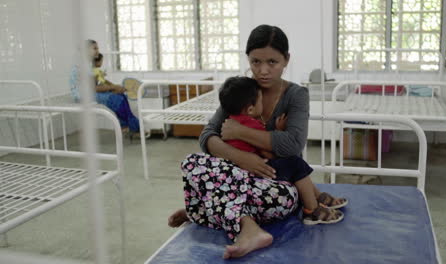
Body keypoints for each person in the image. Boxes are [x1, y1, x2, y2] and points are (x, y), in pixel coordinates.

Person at [168, 25, 347, 259]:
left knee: (223, 185)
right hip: (242, 181)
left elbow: (291, 145)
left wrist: (239, 132)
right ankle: (244, 226)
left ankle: (206, 210)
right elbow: (207, 136)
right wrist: (242, 157)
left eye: (272, 62)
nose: (263, 70)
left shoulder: (296, 95)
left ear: (286, 60)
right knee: (192, 162)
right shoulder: (241, 89)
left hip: (276, 188)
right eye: (255, 62)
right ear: (248, 60)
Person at [218, 75, 346, 224]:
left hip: (239, 173)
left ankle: (318, 196)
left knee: (293, 165)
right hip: (257, 172)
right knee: (295, 164)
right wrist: (279, 136)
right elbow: (267, 153)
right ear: (251, 108)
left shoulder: (230, 121)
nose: (263, 103)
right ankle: (311, 210)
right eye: (260, 100)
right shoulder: (251, 125)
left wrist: (274, 130)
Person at [87, 40, 140, 134]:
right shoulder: (88, 69)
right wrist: (113, 88)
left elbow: (101, 83)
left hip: (96, 91)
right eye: (95, 48)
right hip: (90, 94)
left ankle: (128, 125)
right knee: (118, 99)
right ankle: (129, 126)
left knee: (122, 96)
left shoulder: (94, 69)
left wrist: (115, 87)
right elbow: (93, 88)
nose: (98, 51)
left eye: (97, 48)